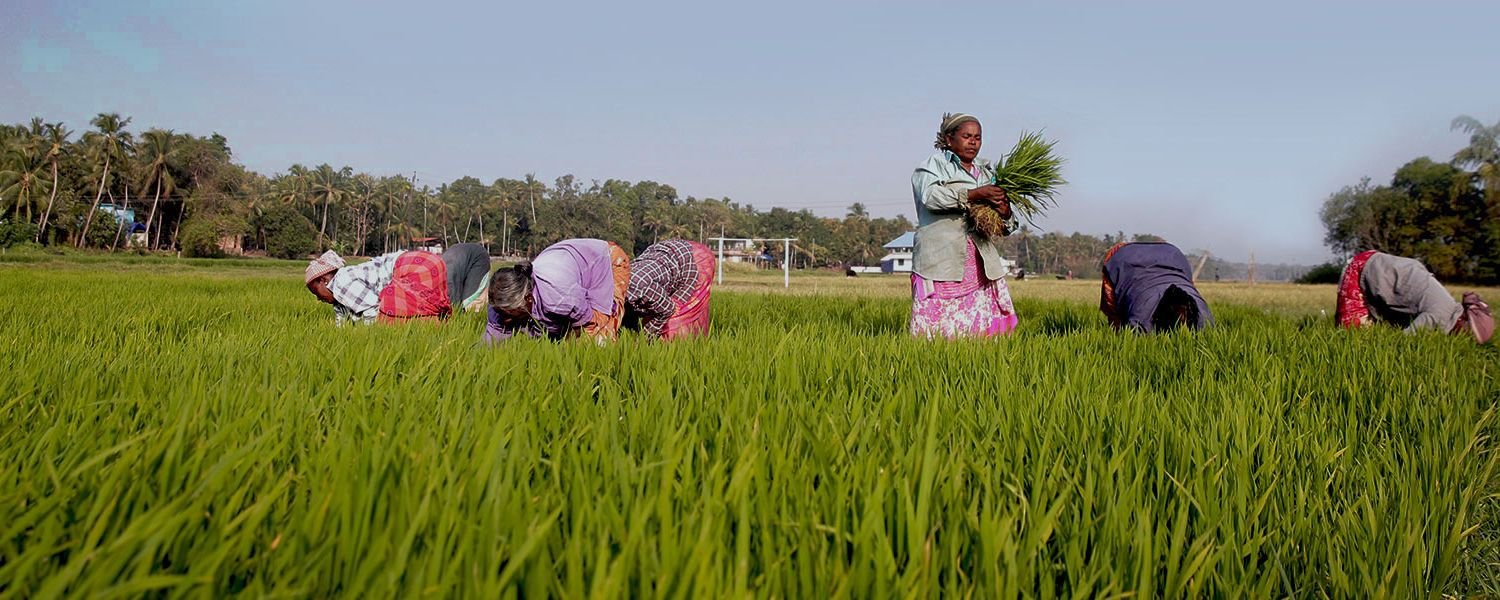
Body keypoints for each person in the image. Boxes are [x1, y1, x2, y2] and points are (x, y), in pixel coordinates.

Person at [909, 112, 1019, 338]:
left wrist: (1005, 212)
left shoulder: (988, 173)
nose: (973, 142)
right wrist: (974, 193)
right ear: (949, 139)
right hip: (941, 259)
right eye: (966, 136)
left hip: (980, 264)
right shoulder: (932, 167)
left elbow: (1005, 225)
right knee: (935, 330)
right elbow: (931, 197)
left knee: (979, 332)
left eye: (977, 137)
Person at [483, 238, 631, 343]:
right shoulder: (500, 299)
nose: (505, 315)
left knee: (597, 340)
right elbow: (492, 338)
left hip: (606, 259)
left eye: (510, 311)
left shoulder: (559, 297)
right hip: (570, 263)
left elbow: (587, 322)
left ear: (528, 298)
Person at [1335, 250, 1493, 343]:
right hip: (1364, 267)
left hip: (1382, 267)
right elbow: (1403, 342)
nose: (1463, 339)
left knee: (1371, 334)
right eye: (1467, 335)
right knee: (1351, 337)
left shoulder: (1449, 308)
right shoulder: (1439, 316)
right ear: (1463, 322)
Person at [305, 249, 452, 324]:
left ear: (324, 280)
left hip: (415, 265)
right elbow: (342, 320)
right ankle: (442, 334)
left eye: (316, 293)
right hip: (428, 261)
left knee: (390, 313)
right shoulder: (340, 291)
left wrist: (370, 334)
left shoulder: (340, 284)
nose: (318, 299)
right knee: (426, 309)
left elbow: (372, 308)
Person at [1099, 241, 1213, 332]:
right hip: (1123, 259)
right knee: (1118, 324)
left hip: (1168, 257)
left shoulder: (1204, 318)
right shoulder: (1141, 318)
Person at [625, 239, 717, 340]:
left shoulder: (639, 286)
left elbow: (668, 309)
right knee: (649, 314)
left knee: (673, 324)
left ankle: (692, 346)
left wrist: (644, 339)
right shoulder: (613, 288)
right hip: (665, 256)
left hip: (694, 259)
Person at [442, 242, 492, 312]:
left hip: (478, 258)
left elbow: (453, 301)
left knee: (471, 300)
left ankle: (474, 316)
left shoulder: (449, 281)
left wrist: (454, 313)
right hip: (458, 258)